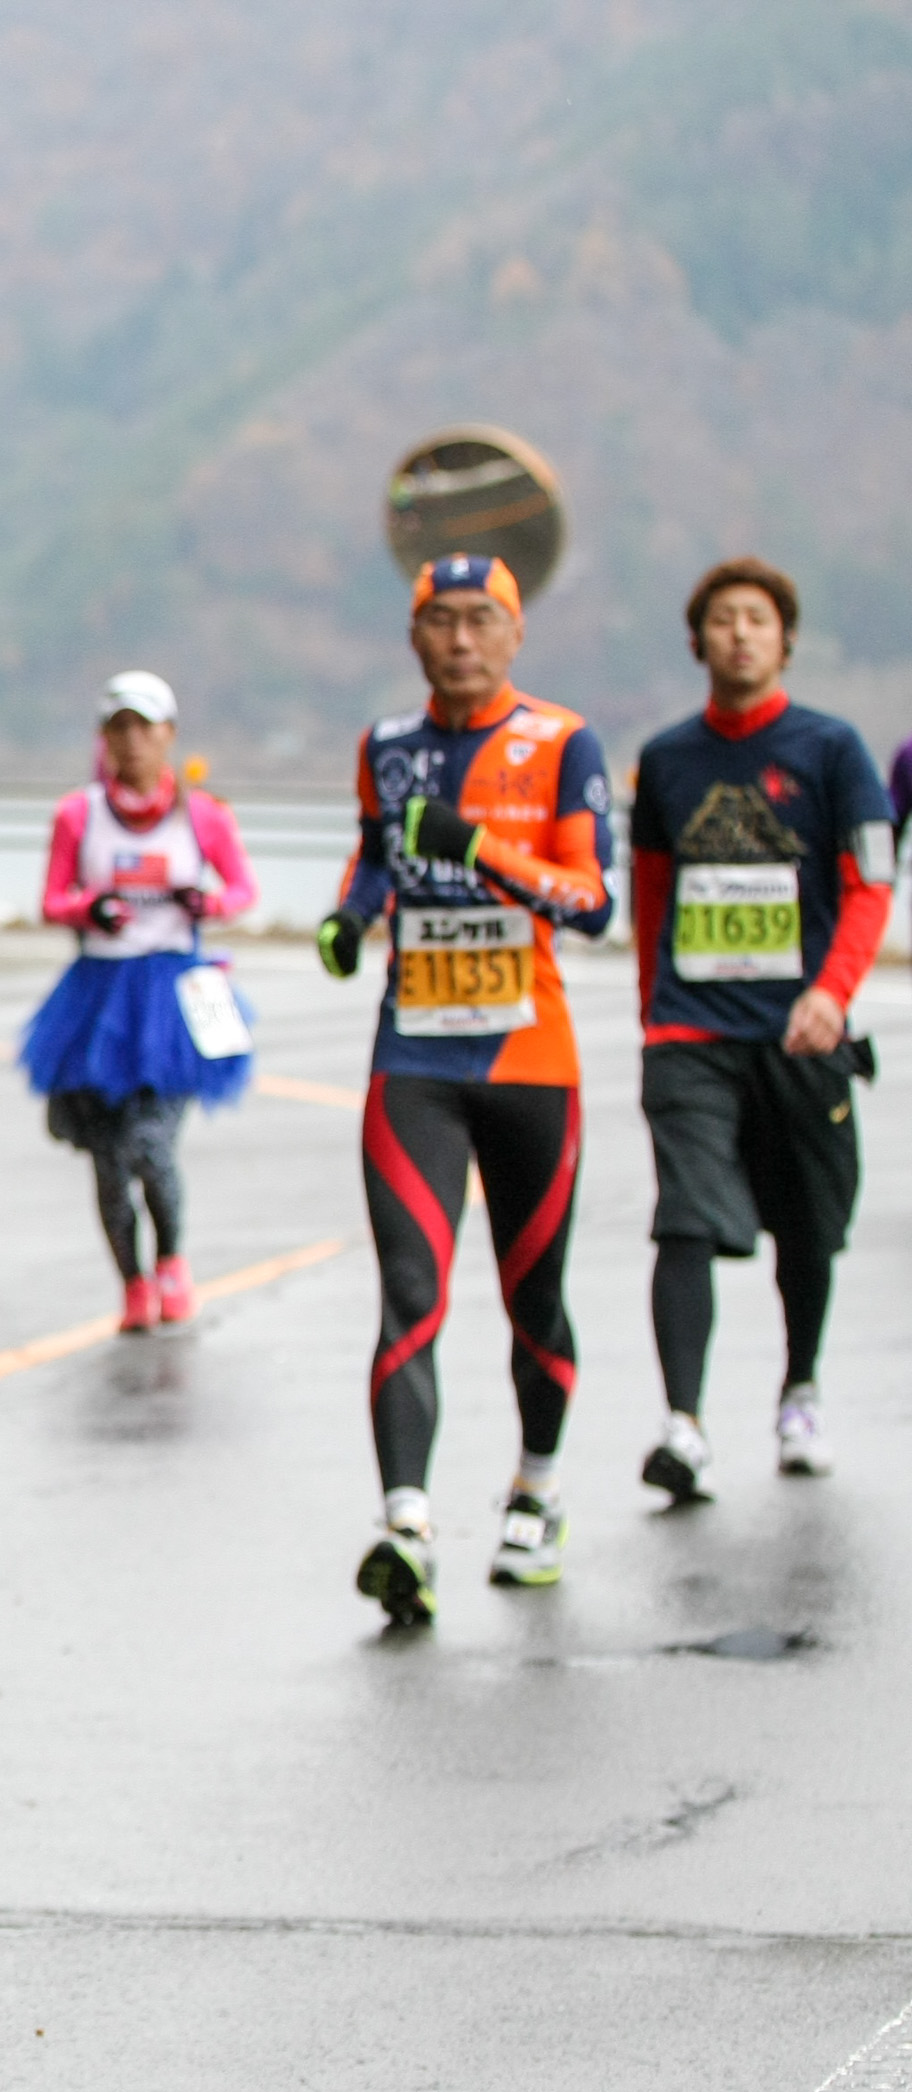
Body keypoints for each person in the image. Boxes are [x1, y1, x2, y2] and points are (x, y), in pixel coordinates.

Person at [318, 554, 614, 1627]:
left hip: (531, 1061)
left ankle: (536, 1489)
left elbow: (590, 903)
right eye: (438, 621)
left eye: (479, 621)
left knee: (533, 1294)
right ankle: (406, 1528)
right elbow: (372, 858)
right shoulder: (386, 749)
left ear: (514, 632)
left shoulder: (562, 741)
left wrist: (479, 847)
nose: (458, 640)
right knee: (412, 1289)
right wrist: (350, 920)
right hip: (416, 1062)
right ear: (413, 637)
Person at [629, 557, 894, 1495]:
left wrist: (833, 992)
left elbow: (871, 882)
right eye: (723, 620)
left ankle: (800, 1391)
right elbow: (652, 896)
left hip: (803, 1036)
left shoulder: (832, 751)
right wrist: (651, 1011)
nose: (740, 634)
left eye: (758, 620)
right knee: (686, 1222)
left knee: (807, 1227)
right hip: (692, 1036)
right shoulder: (665, 761)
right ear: (697, 641)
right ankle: (684, 1424)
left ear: (785, 640)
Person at [19, 672, 258, 1330]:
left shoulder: (202, 814)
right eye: (118, 727)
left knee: (151, 1145)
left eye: (144, 727)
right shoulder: (78, 813)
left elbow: (242, 891)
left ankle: (174, 1261)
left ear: (168, 736)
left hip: (176, 998)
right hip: (99, 999)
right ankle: (131, 1282)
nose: (132, 741)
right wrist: (90, 908)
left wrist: (207, 902)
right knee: (107, 1156)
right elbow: (52, 900)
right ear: (104, 737)